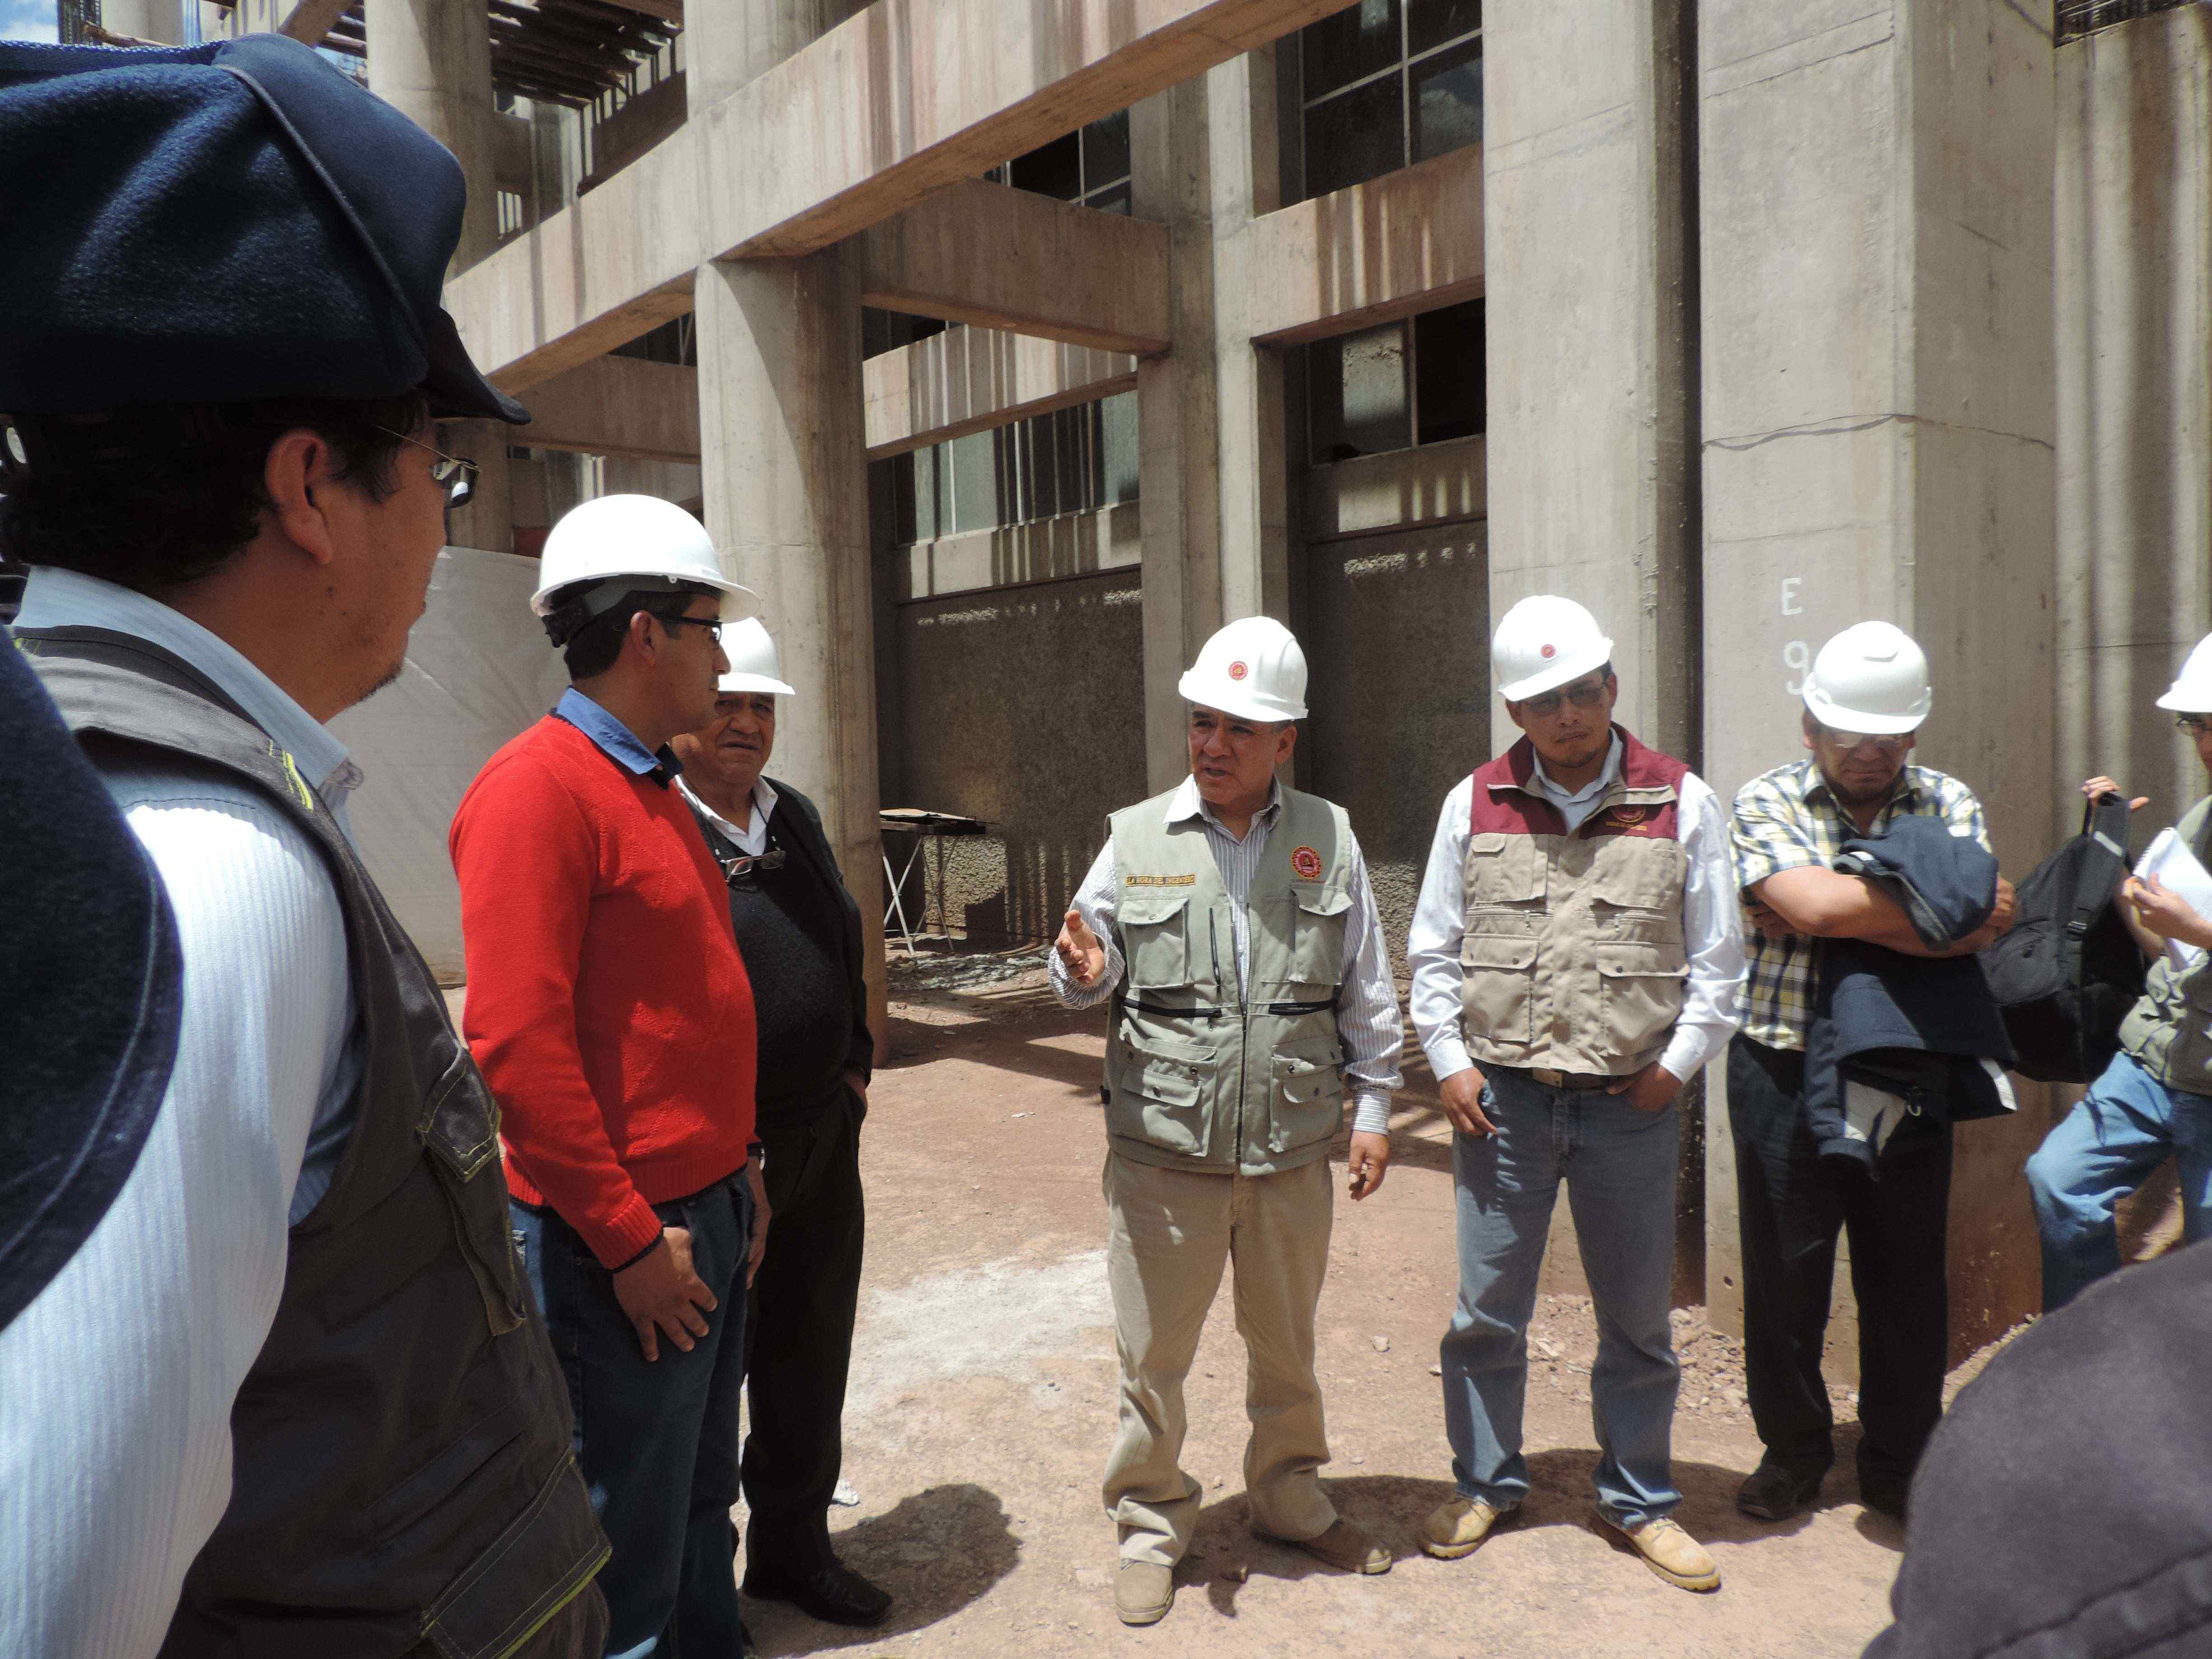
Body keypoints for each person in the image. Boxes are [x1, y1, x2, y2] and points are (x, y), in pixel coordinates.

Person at [0, 33, 606, 1659]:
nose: (442, 523)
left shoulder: (94, 782)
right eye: (441, 470)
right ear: (312, 490)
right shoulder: (197, 871)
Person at [451, 492, 773, 1658]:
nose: (724, 655)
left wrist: (739, 1170)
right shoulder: (539, 791)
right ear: (648, 633)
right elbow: (518, 1056)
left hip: (707, 1211)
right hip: (627, 1247)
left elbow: (678, 1016)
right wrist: (633, 1243)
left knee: (696, 1500)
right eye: (708, 626)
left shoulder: (645, 786)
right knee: (620, 1544)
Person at [1050, 614, 1403, 1627]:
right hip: (1164, 1155)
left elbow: (1366, 992)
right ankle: (1154, 1525)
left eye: (1237, 730)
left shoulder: (1328, 838)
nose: (1211, 745)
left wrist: (1375, 1110)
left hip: (1290, 1152)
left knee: (1285, 1346)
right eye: (1202, 723)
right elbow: (1090, 955)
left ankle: (1290, 1496)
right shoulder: (1136, 837)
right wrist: (1082, 969)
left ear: (1284, 740)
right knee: (1153, 1359)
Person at [1404, 594, 1744, 1593]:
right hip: (1499, 1101)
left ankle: (1639, 1497)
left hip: (1627, 1107)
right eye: (1546, 700)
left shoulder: (1682, 801)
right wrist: (1449, 1061)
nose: (1569, 715)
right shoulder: (1474, 803)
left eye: (1585, 691)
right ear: (1516, 710)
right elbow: (1433, 949)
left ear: (1612, 687)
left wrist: (1671, 1074)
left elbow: (1720, 964)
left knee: (1637, 1317)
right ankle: (1484, 1482)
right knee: (1486, 1311)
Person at [1728, 620, 2015, 1524]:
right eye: (1850, 735)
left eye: (1888, 737)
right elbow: (1826, 904)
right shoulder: (1767, 797)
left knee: (1904, 1273)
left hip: (1902, 1064)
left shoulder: (1948, 803)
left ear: (1914, 734)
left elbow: (1987, 919)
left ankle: (1898, 1462)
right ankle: (1794, 1452)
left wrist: (1825, 909)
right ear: (1811, 725)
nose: (1868, 753)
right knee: (1785, 1276)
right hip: (1780, 1063)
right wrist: (1917, 909)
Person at [667, 620, 891, 1630]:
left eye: (761, 706)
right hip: (719, 1163)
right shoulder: (657, 822)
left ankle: (793, 1551)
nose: (746, 723)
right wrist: (737, 1146)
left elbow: (844, 947)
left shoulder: (790, 816)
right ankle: (697, 1592)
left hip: (819, 1143)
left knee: (808, 1358)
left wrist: (851, 1073)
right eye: (728, 702)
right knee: (705, 1390)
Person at [2026, 633, 2212, 1309]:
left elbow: (2192, 934)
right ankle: (2093, 1368)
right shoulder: (2201, 821)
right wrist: (2116, 865)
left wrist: (2195, 928)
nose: (2209, 746)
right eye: (2200, 727)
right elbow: (2166, 946)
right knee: (2060, 1178)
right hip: (2156, 1061)